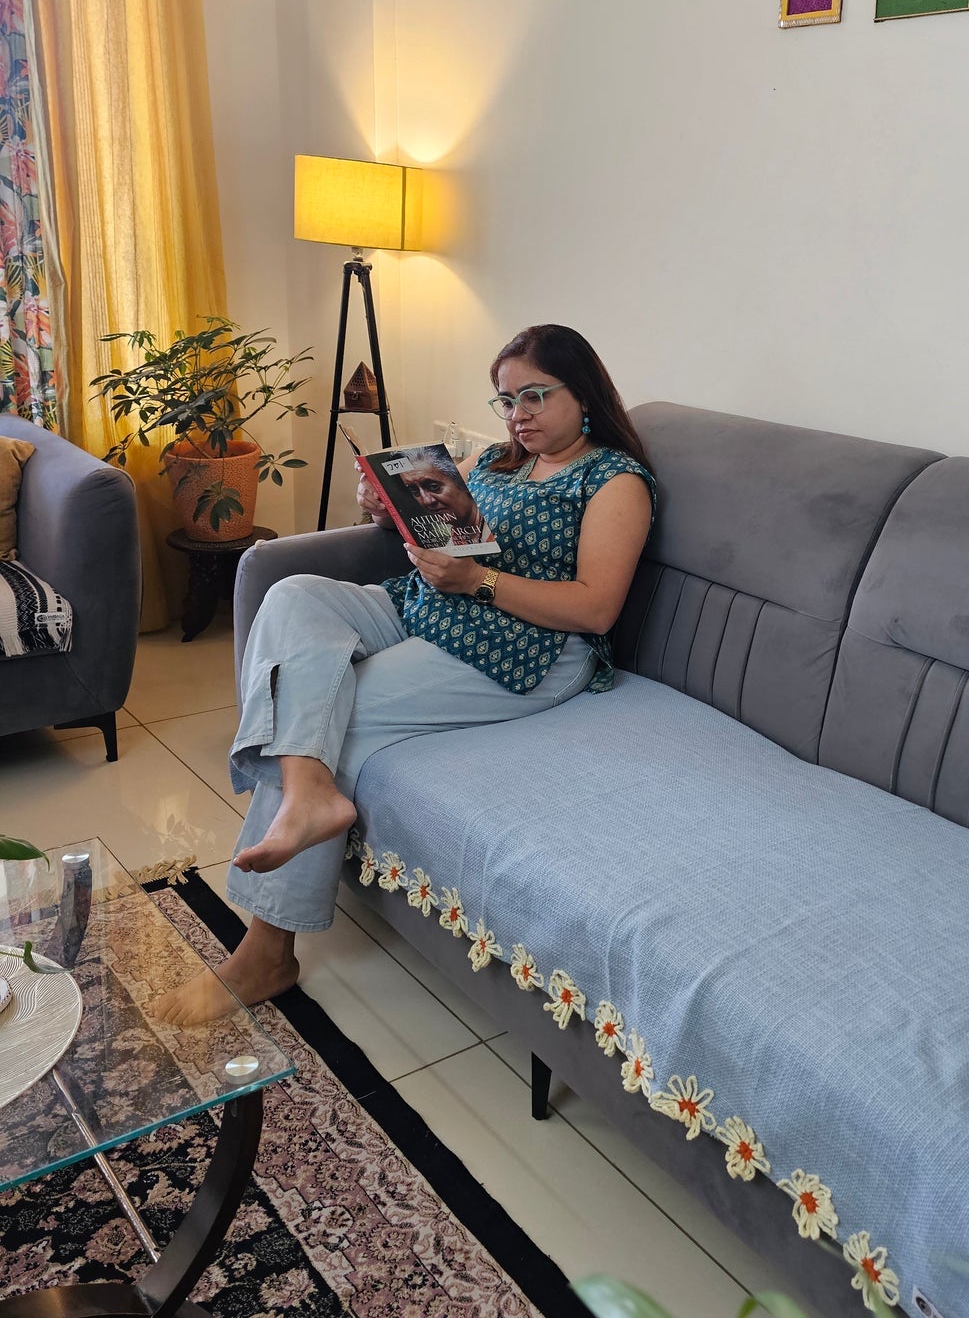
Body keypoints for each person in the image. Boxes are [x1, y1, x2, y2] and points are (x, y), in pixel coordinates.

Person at [154, 324, 655, 1025]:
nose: (519, 414)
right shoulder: (499, 462)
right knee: (292, 595)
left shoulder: (613, 481)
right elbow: (446, 545)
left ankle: (266, 950)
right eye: (506, 399)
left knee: (331, 705)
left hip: (524, 650)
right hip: (426, 607)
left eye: (536, 395)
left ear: (586, 393)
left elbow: (596, 609)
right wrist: (388, 512)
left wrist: (477, 579)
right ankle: (307, 792)